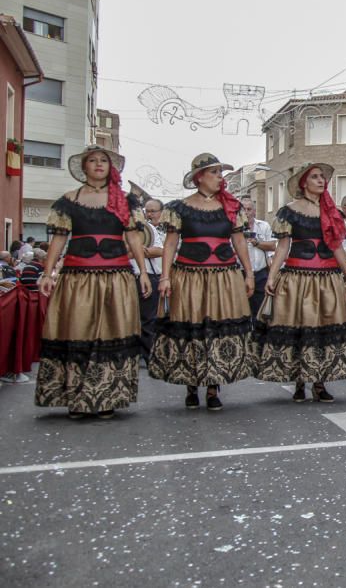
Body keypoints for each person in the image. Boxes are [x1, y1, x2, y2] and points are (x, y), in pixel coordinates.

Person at [34, 145, 150, 419]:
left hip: (116, 276)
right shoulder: (69, 200)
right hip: (78, 278)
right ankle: (76, 396)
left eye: (104, 161)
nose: (99, 164)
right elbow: (59, 239)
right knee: (77, 331)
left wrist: (143, 271)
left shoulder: (124, 200)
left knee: (111, 332)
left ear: (111, 168)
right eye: (93, 160)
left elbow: (134, 238)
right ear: (84, 167)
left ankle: (106, 396)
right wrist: (48, 272)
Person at [148, 153, 255, 411]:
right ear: (199, 177)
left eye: (220, 173)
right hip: (189, 274)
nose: (220, 177)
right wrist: (164, 277)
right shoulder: (180, 208)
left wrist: (249, 273)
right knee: (192, 324)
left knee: (217, 328)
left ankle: (212, 387)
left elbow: (239, 241)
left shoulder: (230, 207)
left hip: (223, 275)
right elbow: (171, 244)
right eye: (215, 172)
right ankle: (191, 384)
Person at [256, 163, 346, 402]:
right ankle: (300, 380)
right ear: (304, 182)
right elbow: (283, 247)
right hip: (298, 277)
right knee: (301, 326)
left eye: (323, 177)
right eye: (315, 177)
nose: (321, 181)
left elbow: (337, 247)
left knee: (324, 328)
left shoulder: (332, 212)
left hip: (328, 278)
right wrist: (272, 276)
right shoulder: (289, 211)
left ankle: (319, 383)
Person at [131, 198, 165, 362]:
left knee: (148, 319)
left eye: (152, 211)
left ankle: (149, 355)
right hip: (128, 276)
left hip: (149, 276)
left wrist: (138, 251)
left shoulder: (148, 228)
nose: (147, 214)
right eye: (146, 211)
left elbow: (160, 250)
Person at [241, 198, 276, 322]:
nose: (246, 212)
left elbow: (272, 246)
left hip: (260, 273)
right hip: (241, 272)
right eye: (243, 209)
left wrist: (257, 243)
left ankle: (258, 337)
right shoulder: (234, 228)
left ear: (254, 211)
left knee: (260, 307)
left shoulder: (263, 226)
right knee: (242, 308)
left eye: (249, 209)